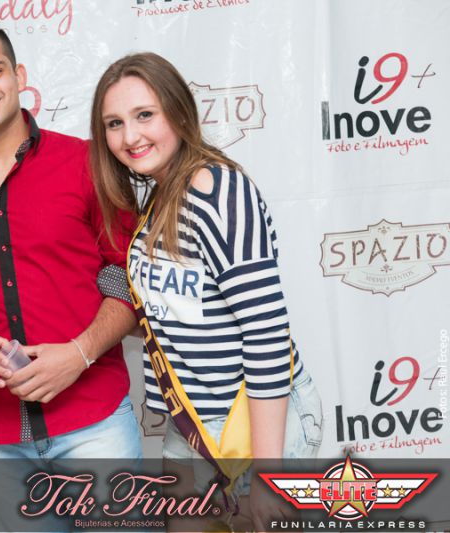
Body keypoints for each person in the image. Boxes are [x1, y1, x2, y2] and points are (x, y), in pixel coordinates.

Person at [90, 52, 323, 529]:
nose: (130, 137)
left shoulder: (218, 191)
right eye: (115, 123)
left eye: (144, 115)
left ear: (178, 111)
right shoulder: (161, 195)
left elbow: (266, 336)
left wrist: (268, 474)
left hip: (248, 424)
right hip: (190, 424)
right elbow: (176, 313)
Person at [0, 10, 142, 461]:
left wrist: (80, 354)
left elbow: (127, 274)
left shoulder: (88, 162)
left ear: (19, 76)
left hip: (95, 425)